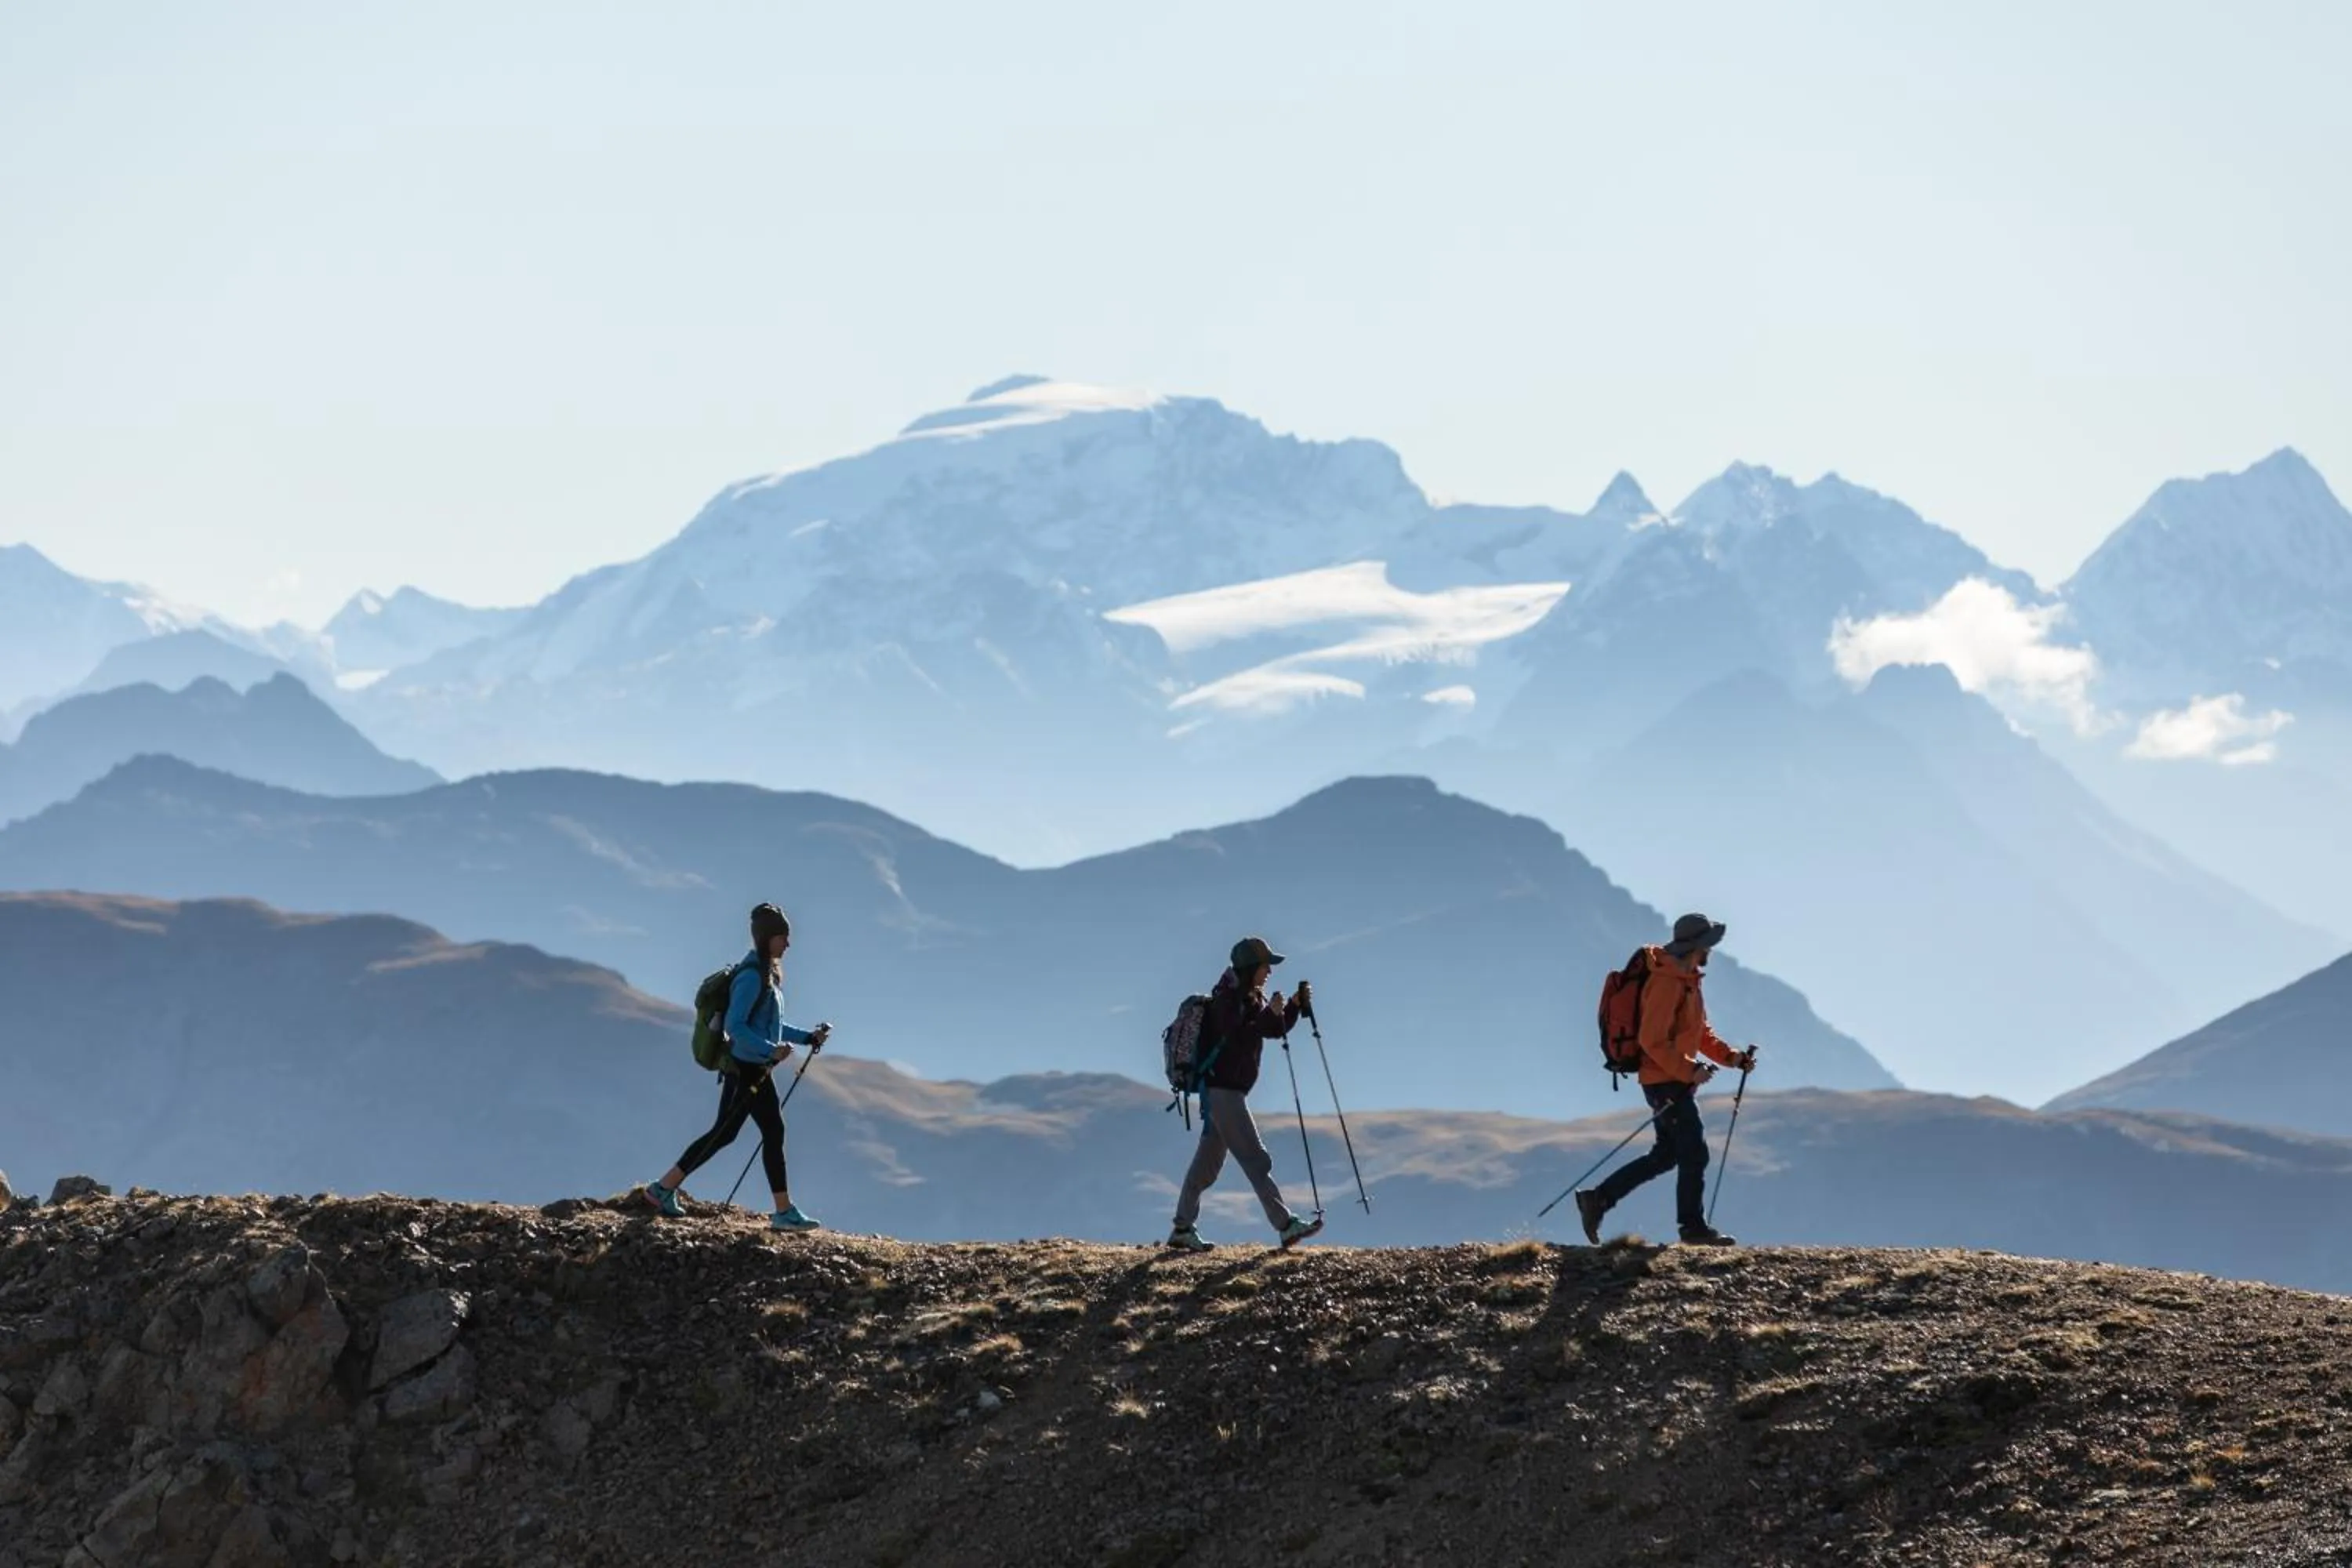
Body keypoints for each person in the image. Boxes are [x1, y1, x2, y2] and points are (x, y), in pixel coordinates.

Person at [1576, 913, 1759, 1247]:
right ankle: (1692, 1228)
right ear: (1696, 947)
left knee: (1666, 1155)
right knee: (1694, 1153)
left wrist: (1732, 1058)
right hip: (1664, 1081)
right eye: (1708, 946)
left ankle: (1599, 1199)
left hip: (1669, 1078)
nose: (1711, 952)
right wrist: (1689, 1071)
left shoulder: (1687, 978)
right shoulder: (1666, 982)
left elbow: (1700, 1033)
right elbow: (1652, 1040)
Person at [644, 902, 831, 1231]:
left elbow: (770, 1025)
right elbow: (736, 1026)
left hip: (754, 1067)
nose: (788, 944)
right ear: (767, 939)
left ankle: (665, 1188)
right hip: (745, 1068)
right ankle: (780, 1211)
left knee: (743, 1132)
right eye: (783, 937)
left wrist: (807, 1038)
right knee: (735, 1133)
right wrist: (771, 1051)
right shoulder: (751, 977)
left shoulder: (766, 974)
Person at [1167, 935, 1324, 1252]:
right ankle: (1284, 1225)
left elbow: (1270, 1029)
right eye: (1265, 966)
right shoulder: (1227, 1001)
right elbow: (1241, 1035)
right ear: (1250, 967)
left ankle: (1182, 1228)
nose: (1269, 972)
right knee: (1256, 1158)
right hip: (1223, 1093)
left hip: (1222, 1093)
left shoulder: (1248, 999)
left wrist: (1292, 1007)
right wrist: (1274, 1012)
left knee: (1206, 1167)